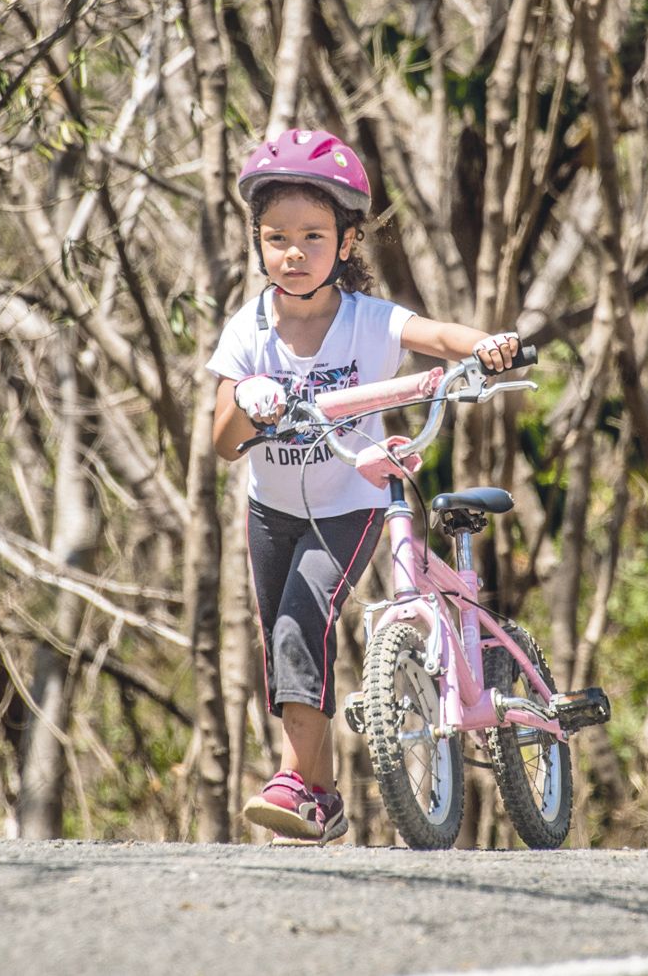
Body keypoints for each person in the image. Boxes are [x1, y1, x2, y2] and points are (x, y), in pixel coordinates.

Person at [206, 129, 518, 846]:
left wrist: (487, 344)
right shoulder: (248, 330)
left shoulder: (367, 321)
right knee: (284, 645)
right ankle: (319, 795)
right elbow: (223, 443)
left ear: (347, 243)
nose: (292, 252)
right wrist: (247, 397)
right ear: (257, 243)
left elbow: (437, 335)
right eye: (276, 236)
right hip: (270, 509)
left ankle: (290, 777)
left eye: (312, 236)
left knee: (297, 622)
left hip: (349, 504)